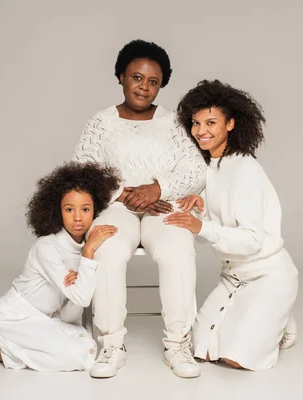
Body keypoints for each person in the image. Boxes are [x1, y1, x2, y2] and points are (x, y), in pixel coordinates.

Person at [73, 39, 206, 378]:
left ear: (161, 86)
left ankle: (178, 345)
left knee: (178, 246)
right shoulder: (101, 123)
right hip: (117, 207)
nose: (144, 87)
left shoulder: (175, 123)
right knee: (108, 247)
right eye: (136, 78)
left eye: (153, 82)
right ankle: (112, 345)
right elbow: (82, 168)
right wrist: (121, 194)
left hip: (163, 205)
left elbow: (195, 170)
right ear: (120, 77)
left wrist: (156, 188)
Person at [164, 79, 299, 371]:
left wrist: (200, 227)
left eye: (211, 122)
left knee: (237, 361)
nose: (201, 131)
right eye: (196, 123)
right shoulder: (208, 168)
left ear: (231, 124)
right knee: (201, 349)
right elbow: (209, 236)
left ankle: (280, 315)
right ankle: (268, 319)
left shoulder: (246, 169)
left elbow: (251, 240)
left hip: (267, 275)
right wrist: (198, 213)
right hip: (232, 277)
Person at [0, 162, 120, 371]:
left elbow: (70, 315)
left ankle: (12, 348)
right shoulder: (47, 247)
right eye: (69, 209)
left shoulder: (81, 251)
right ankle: (3, 351)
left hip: (46, 318)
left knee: (86, 346)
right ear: (57, 211)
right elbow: (82, 296)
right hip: (14, 317)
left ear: (94, 210)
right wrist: (87, 255)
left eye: (85, 209)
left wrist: (78, 282)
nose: (77, 217)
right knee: (81, 357)